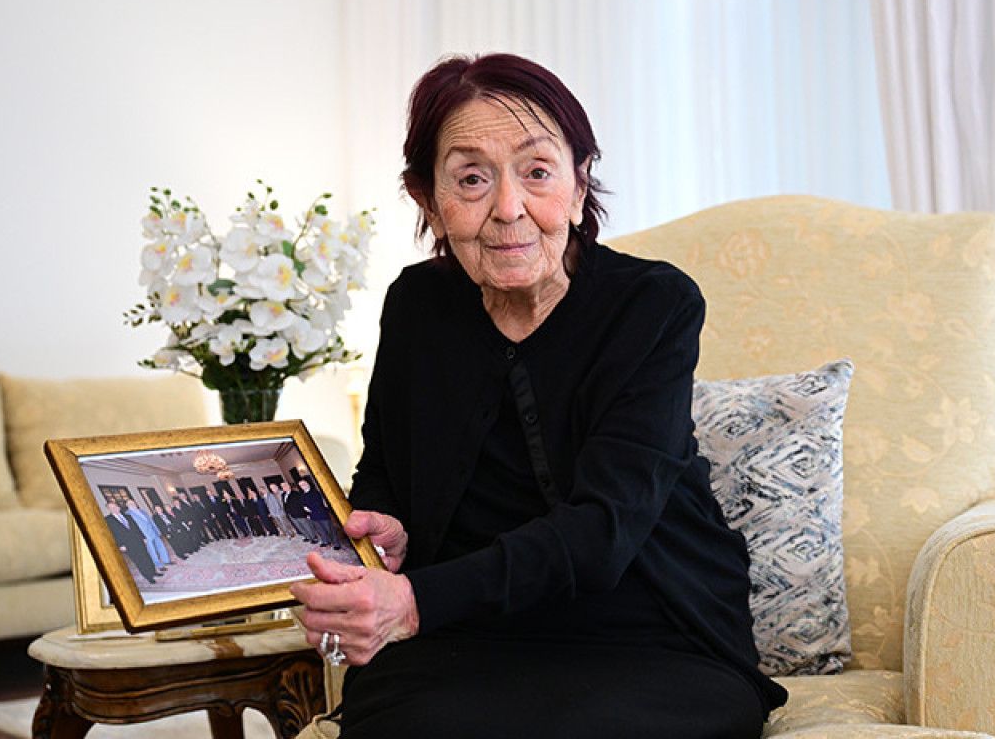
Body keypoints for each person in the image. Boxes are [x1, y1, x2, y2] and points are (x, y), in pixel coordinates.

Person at [290, 53, 787, 738]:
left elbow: (605, 529)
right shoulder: (416, 305)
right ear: (428, 201)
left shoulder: (652, 305)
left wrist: (413, 601)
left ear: (579, 185)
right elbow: (383, 472)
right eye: (471, 179)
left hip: (652, 635)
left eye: (538, 172)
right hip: (463, 639)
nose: (508, 209)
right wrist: (389, 530)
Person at [104, 500, 157, 584]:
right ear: (109, 509)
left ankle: (153, 572)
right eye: (111, 508)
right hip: (126, 544)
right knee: (138, 560)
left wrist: (143, 537)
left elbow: (136, 527)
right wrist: (120, 545)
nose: (114, 509)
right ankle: (148, 576)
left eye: (115, 507)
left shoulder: (128, 516)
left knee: (146, 556)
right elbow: (111, 534)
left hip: (138, 540)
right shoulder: (108, 520)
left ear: (118, 507)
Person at [126, 500, 170, 570]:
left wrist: (157, 530)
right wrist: (141, 537)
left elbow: (151, 521)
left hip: (153, 531)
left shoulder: (142, 511)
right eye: (130, 503)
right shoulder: (128, 514)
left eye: (133, 502)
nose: (133, 504)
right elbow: (133, 528)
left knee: (161, 546)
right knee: (152, 551)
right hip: (145, 534)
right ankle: (159, 565)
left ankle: (166, 561)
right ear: (127, 505)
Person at [298, 478, 340, 549]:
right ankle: (326, 541)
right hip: (312, 516)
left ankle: (336, 544)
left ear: (308, 483)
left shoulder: (315, 492)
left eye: (304, 483)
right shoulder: (303, 495)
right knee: (320, 530)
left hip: (322, 514)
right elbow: (303, 504)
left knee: (330, 530)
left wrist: (309, 508)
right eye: (301, 485)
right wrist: (307, 512)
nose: (303, 485)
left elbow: (318, 503)